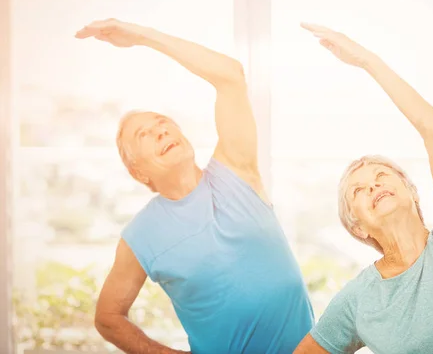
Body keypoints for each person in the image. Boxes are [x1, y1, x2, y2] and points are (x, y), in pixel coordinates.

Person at [75, 19, 314, 354]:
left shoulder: (236, 168)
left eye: (164, 124)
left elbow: (230, 76)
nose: (161, 131)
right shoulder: (140, 236)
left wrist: (144, 36)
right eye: (144, 134)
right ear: (137, 171)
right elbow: (108, 317)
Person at [293, 23, 433, 354]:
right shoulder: (358, 300)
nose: (373, 184)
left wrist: (367, 61)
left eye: (382, 174)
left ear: (412, 191)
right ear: (357, 226)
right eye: (358, 190)